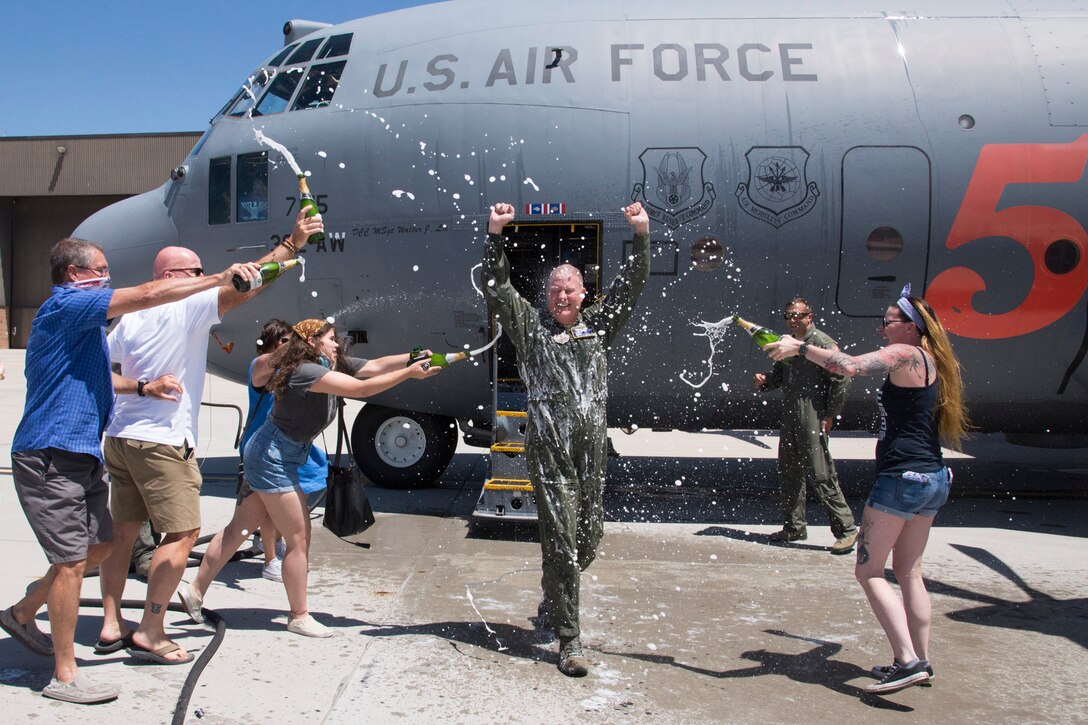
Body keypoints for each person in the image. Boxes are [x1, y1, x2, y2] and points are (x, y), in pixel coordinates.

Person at [3, 236, 260, 704]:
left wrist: (143, 386)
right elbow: (147, 293)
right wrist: (220, 278)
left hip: (86, 453)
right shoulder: (66, 306)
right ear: (75, 275)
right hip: (48, 453)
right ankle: (65, 676)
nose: (107, 275)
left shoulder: (87, 326)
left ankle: (23, 611)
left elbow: (107, 374)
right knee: (71, 562)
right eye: (99, 268)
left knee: (101, 546)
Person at [96, 208, 322, 665]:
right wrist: (294, 244)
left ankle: (110, 622)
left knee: (122, 536)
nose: (204, 276)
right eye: (196, 270)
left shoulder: (130, 319)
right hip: (162, 442)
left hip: (120, 438)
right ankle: (152, 630)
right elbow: (252, 279)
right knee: (181, 534)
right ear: (173, 274)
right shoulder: (188, 303)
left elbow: (105, 372)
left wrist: (140, 387)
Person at [177, 320, 441, 637]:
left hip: (275, 453)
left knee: (240, 528)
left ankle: (194, 592)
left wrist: (412, 357)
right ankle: (299, 616)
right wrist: (410, 375)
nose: (337, 344)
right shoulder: (306, 371)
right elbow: (362, 389)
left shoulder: (327, 363)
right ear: (313, 342)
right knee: (299, 538)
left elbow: (375, 366)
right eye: (330, 339)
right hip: (272, 457)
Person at [765, 284, 969, 695]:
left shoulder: (907, 353)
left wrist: (799, 348)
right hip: (931, 478)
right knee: (910, 571)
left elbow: (850, 367)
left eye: (889, 321)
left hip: (901, 480)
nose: (882, 328)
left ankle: (908, 661)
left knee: (869, 571)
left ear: (911, 327)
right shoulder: (932, 360)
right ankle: (918, 661)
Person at [481, 201, 651, 677]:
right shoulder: (531, 330)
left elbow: (632, 287)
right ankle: (569, 639)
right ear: (547, 294)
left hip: (591, 453)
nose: (562, 296)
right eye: (554, 289)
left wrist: (641, 235)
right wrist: (496, 232)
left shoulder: (599, 328)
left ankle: (551, 599)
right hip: (549, 453)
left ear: (583, 293)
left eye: (569, 288)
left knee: (587, 539)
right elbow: (498, 288)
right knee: (561, 542)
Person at [753, 297, 857, 553]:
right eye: (789, 315)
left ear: (810, 317)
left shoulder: (821, 343)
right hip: (791, 412)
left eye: (798, 315)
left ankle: (846, 529)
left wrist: (830, 414)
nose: (793, 320)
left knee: (821, 472)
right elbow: (778, 377)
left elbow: (842, 377)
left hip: (812, 411)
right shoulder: (786, 343)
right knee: (789, 472)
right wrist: (764, 381)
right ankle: (794, 527)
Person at [241, 319, 330, 582]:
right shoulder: (261, 366)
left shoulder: (290, 368)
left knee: (288, 505)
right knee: (267, 510)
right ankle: (270, 560)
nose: (290, 346)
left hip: (285, 445)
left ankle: (284, 551)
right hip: (263, 446)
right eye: (284, 342)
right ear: (271, 344)